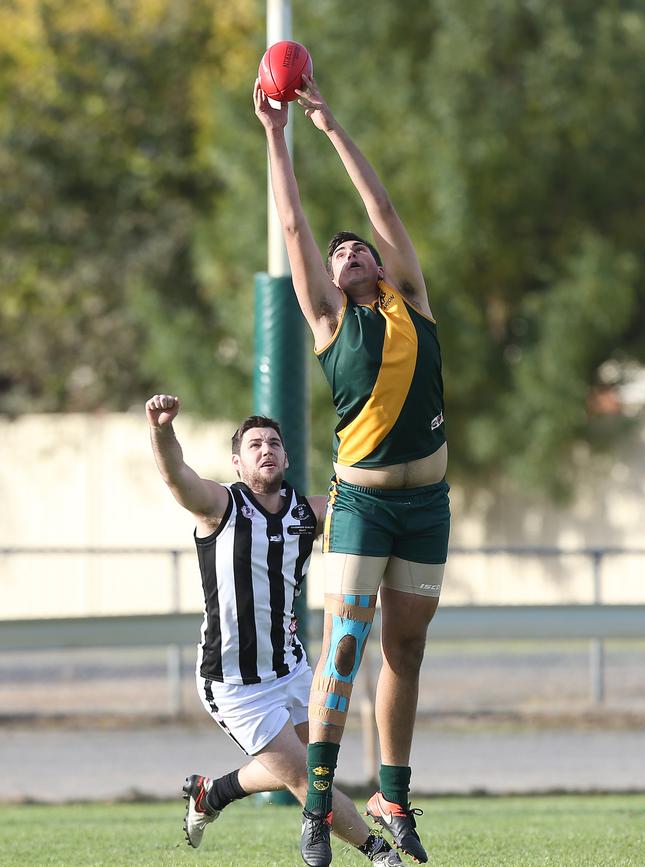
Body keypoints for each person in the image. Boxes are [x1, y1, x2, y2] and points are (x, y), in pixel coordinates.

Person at [254, 74, 450, 867]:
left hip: (428, 504)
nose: (350, 250)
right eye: (339, 254)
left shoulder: (410, 299)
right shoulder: (331, 322)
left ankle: (392, 795)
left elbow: (384, 210)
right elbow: (296, 221)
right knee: (343, 645)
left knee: (406, 650)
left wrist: (332, 127)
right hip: (363, 504)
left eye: (358, 247)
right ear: (328, 281)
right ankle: (318, 805)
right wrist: (276, 133)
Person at [145, 393, 404, 866]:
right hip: (235, 684)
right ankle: (379, 853)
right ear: (237, 461)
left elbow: (367, 501)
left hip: (291, 669)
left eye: (274, 443)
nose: (266, 449)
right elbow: (175, 475)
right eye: (255, 444)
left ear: (286, 457)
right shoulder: (220, 507)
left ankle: (211, 794)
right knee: (310, 777)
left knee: (315, 764)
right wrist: (162, 430)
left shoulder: (307, 513)